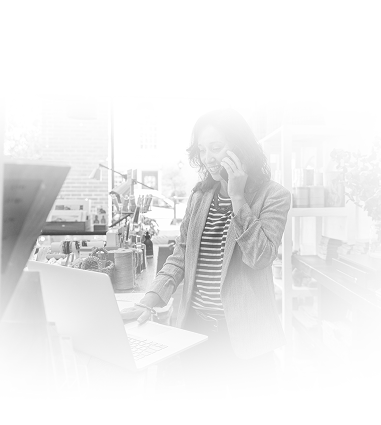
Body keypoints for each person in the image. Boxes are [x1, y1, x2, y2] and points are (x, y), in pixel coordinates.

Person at [121, 109, 291, 392]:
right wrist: (148, 301)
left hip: (245, 341)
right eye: (202, 149)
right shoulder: (200, 196)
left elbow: (260, 257)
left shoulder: (273, 196)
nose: (208, 157)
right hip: (196, 333)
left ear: (240, 148)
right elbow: (180, 256)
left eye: (216, 147)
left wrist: (237, 197)